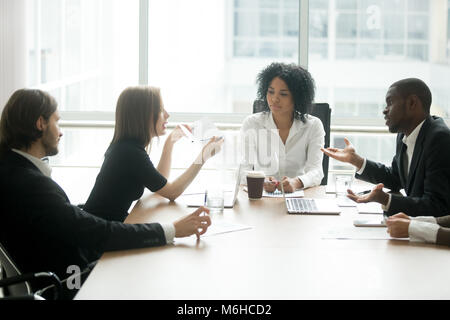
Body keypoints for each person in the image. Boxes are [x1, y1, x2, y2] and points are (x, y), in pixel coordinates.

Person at [0, 89, 211, 298]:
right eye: (57, 122)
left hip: (58, 267)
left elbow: (159, 182)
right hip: (69, 280)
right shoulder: (31, 185)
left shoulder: (12, 170)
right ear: (40, 124)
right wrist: (171, 230)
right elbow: (95, 232)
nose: (61, 132)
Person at [84, 86, 223, 222]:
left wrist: (170, 142)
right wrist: (202, 157)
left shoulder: (126, 147)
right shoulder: (130, 153)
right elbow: (172, 192)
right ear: (143, 116)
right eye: (161, 110)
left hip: (104, 228)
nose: (167, 115)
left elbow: (160, 185)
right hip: (99, 236)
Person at [322, 78, 450, 217]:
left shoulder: (439, 139)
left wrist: (386, 200)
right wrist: (356, 160)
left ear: (412, 103)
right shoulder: (404, 135)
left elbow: (438, 206)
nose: (384, 110)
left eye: (390, 102)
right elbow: (396, 178)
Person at [240, 62, 325, 193]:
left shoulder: (313, 126)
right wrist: (261, 181)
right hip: (262, 199)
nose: (274, 99)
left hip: (300, 196)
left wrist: (296, 182)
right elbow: (242, 171)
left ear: (297, 97)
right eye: (271, 92)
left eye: (283, 94)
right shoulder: (252, 124)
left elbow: (316, 171)